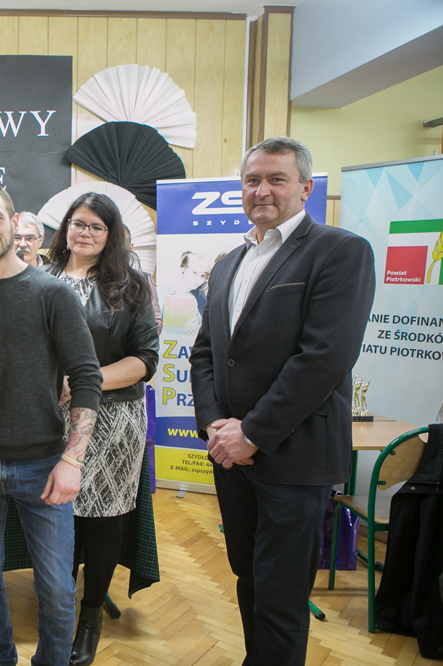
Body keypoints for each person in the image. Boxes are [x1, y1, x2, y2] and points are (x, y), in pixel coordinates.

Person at [190, 137, 375, 666]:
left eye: (277, 179)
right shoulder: (229, 262)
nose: (262, 190)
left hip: (294, 458)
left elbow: (324, 358)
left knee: (281, 597)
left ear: (306, 188)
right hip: (231, 456)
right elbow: (206, 353)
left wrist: (251, 433)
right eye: (252, 180)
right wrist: (215, 425)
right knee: (249, 578)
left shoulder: (340, 251)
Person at [0, 181, 104, 666]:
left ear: (14, 223)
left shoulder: (53, 294)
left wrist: (72, 460)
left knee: (56, 590)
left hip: (44, 464)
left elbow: (87, 378)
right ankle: (0, 660)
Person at [42, 193, 159, 666]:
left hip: (114, 417)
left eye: (96, 226)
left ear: (111, 235)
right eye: (78, 223)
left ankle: (89, 618)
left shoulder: (130, 285)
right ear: (65, 227)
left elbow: (145, 360)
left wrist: (85, 381)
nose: (84, 233)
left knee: (102, 519)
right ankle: (59, 607)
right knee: (59, 516)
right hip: (50, 418)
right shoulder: (41, 276)